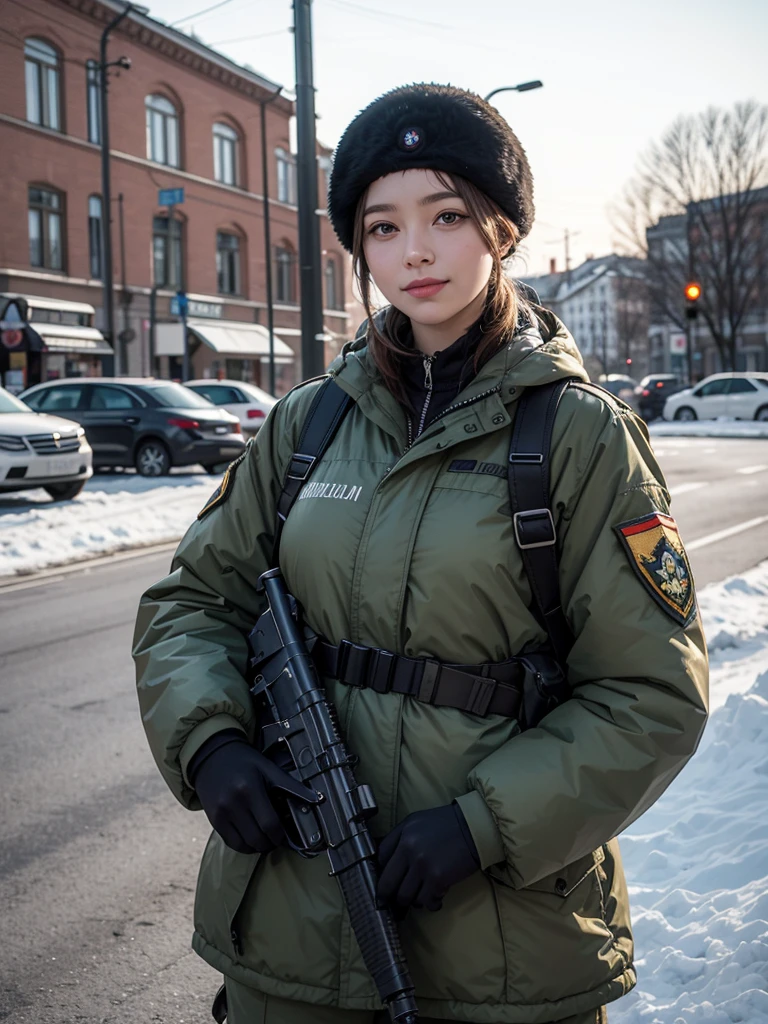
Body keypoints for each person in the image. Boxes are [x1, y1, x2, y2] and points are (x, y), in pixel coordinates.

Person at [133, 84, 709, 1024]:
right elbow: (194, 602)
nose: (417, 251)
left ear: (501, 231)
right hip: (292, 925)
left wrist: (484, 824)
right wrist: (211, 741)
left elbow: (651, 694)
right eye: (383, 226)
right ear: (359, 247)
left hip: (502, 945)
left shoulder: (577, 437)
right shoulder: (307, 423)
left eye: (447, 215)